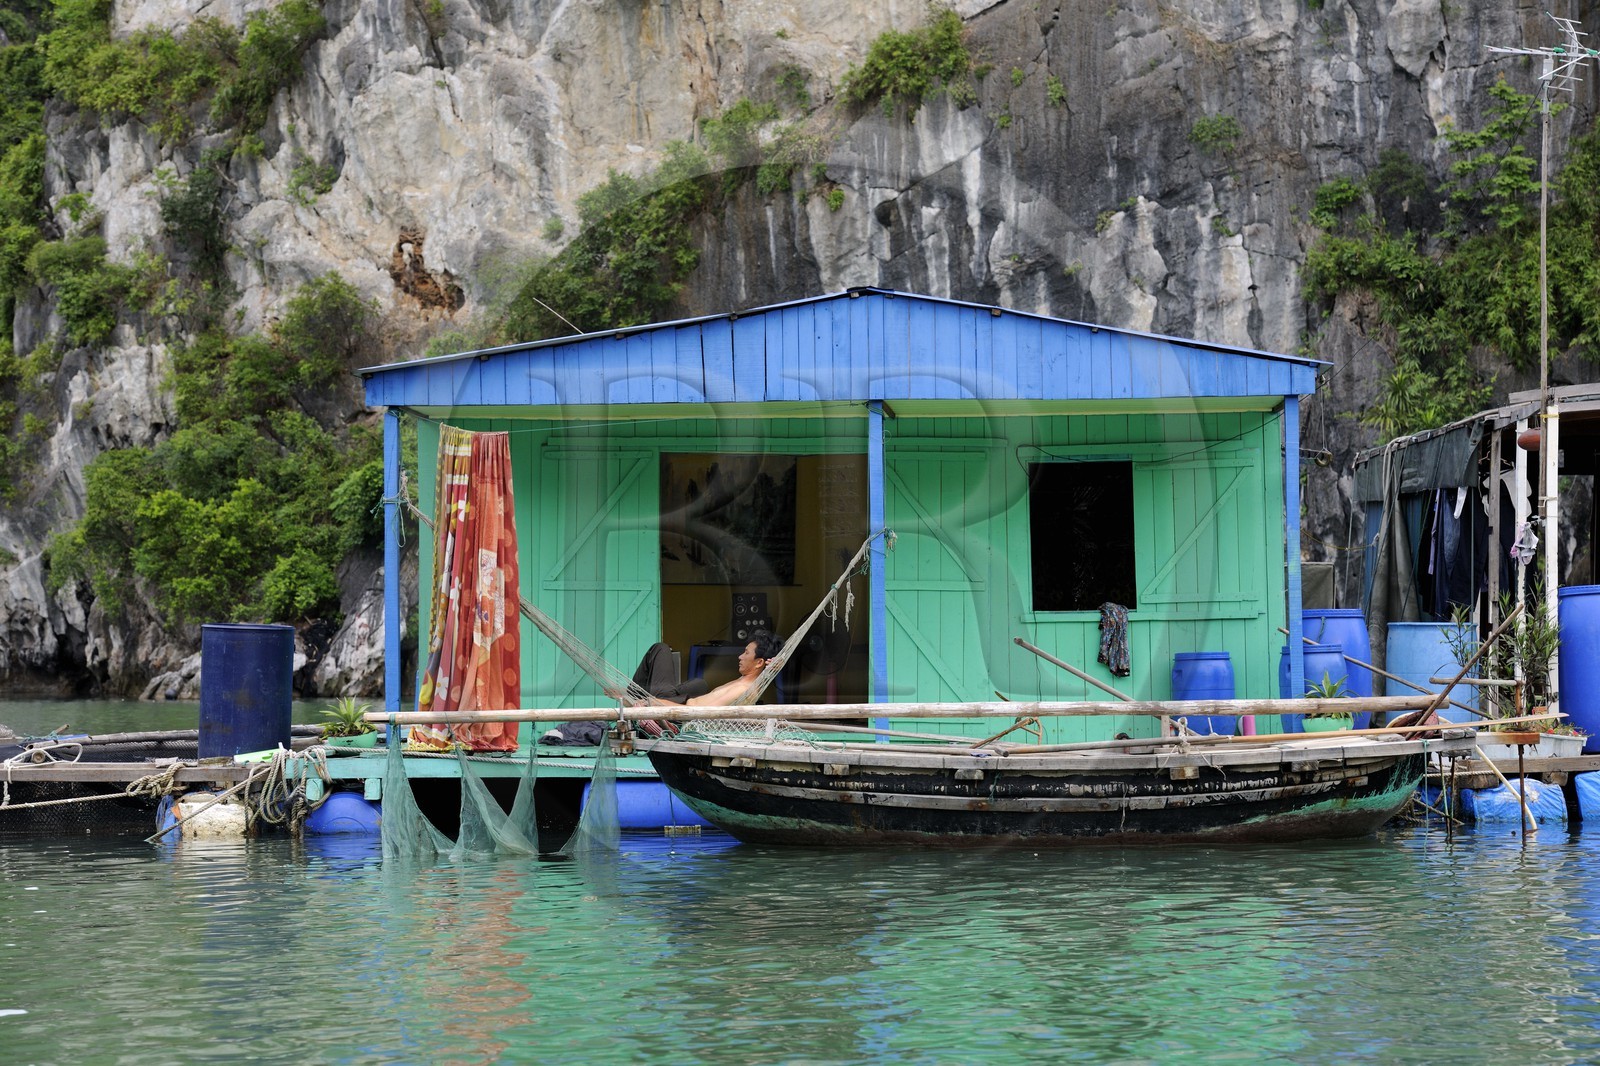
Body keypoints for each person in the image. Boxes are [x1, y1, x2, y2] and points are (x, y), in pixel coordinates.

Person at [542, 630, 785, 745]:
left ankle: (631, 696)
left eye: (746, 653)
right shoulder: (752, 681)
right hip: (684, 703)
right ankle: (632, 696)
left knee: (660, 649)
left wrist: (648, 704)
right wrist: (774, 666)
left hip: (678, 715)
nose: (740, 656)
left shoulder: (744, 688)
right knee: (699, 683)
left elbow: (691, 712)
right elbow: (772, 667)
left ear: (760, 662)